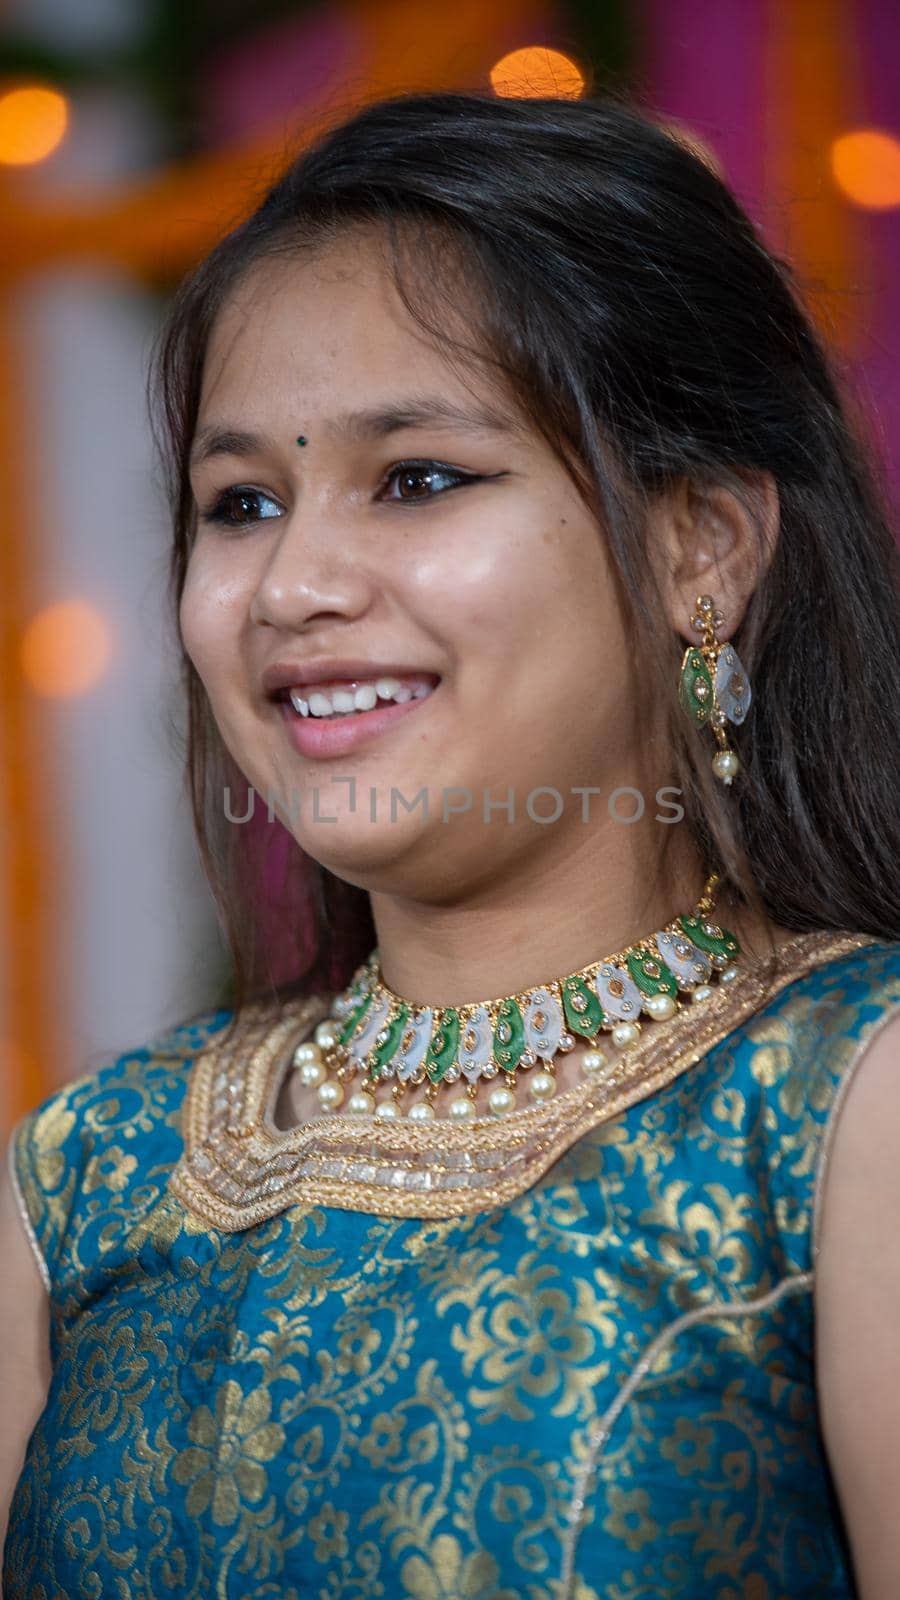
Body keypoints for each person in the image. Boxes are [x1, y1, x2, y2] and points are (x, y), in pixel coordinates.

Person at [2, 86, 900, 1600]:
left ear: (704, 548)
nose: (290, 584)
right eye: (241, 503)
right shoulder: (91, 1172)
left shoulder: (842, 1108)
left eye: (416, 478)